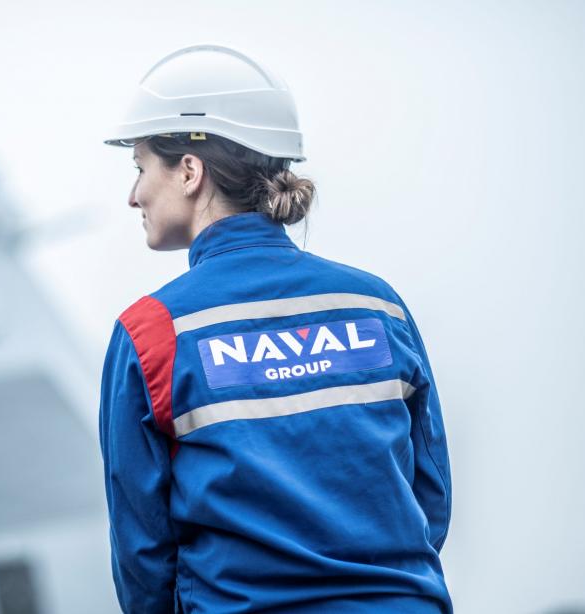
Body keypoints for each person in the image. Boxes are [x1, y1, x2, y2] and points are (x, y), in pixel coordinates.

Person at [99, 44, 452, 614]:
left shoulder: (151, 333)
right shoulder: (375, 305)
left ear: (190, 171)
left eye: (140, 168)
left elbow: (143, 552)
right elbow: (429, 494)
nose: (133, 194)